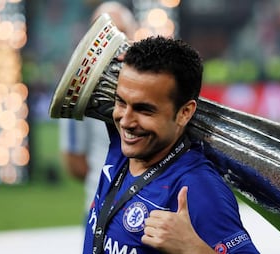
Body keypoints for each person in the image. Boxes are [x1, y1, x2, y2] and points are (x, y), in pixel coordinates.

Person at [82, 36, 260, 253]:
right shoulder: (124, 144)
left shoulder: (197, 188)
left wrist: (194, 249)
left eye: (144, 109)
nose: (126, 121)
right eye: (121, 101)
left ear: (184, 112)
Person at [59, 1, 138, 211]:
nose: (112, 42)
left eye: (119, 32)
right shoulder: (79, 90)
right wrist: (108, 180)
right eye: (104, 34)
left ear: (132, 33)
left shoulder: (154, 81)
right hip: (101, 205)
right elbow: (74, 161)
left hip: (152, 203)